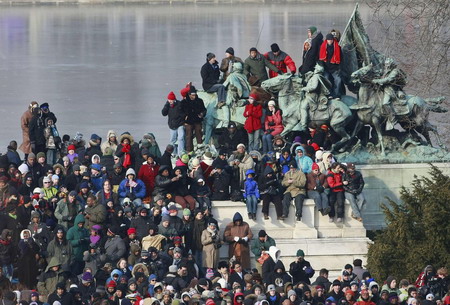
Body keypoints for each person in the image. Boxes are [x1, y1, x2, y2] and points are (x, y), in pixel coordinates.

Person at [371, 58, 408, 130]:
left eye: (388, 64)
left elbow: (389, 79)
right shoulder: (386, 71)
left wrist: (377, 81)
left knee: (385, 103)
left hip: (391, 89)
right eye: (386, 64)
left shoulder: (395, 71)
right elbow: (379, 73)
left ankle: (392, 118)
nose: (386, 66)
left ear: (392, 64)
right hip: (383, 89)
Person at [181, 86, 207, 153]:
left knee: (199, 132)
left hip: (197, 120)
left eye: (195, 95)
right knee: (189, 135)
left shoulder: (199, 101)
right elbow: (180, 112)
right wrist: (184, 119)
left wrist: (202, 114)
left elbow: (204, 110)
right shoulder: (184, 102)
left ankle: (200, 147)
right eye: (192, 95)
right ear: (189, 94)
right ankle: (189, 150)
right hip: (188, 121)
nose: (194, 96)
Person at [161, 91, 186, 156]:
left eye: (171, 100)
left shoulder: (179, 104)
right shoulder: (167, 105)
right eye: (169, 100)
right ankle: (174, 153)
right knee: (172, 140)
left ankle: (180, 153)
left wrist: (183, 120)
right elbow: (163, 113)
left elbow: (184, 113)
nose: (170, 101)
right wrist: (166, 105)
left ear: (174, 99)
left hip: (180, 124)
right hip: (172, 125)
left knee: (181, 138)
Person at [319, 33, 343, 98]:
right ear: (326, 40)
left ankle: (336, 94)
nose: (330, 41)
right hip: (326, 68)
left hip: (334, 68)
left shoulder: (338, 47)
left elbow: (341, 58)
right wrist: (322, 66)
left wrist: (339, 67)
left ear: (333, 40)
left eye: (331, 40)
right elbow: (320, 58)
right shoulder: (323, 47)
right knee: (326, 79)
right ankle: (328, 94)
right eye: (329, 40)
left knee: (338, 80)